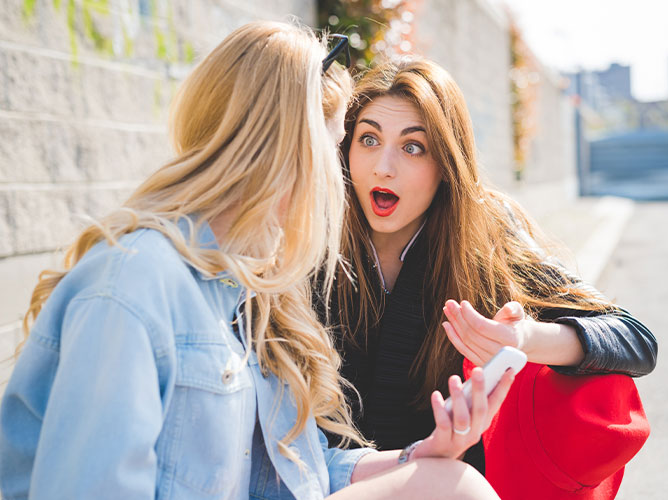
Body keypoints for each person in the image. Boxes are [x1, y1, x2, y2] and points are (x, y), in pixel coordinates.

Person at [0, 24, 511, 500]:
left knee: (451, 480)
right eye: (335, 149)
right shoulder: (132, 285)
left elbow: (296, 473)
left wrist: (420, 454)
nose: (341, 181)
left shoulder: (251, 287)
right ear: (285, 150)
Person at [325, 56, 657, 474]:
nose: (383, 167)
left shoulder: (485, 233)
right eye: (368, 139)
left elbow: (635, 340)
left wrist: (525, 338)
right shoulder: (313, 233)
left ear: (446, 163)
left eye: (413, 147)